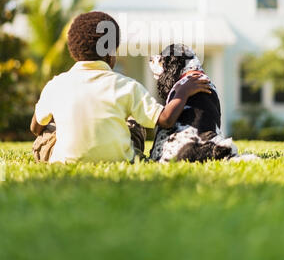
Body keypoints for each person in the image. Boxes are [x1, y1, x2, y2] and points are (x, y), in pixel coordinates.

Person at [31, 11, 211, 163]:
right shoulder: (127, 86)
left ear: (74, 52)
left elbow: (35, 128)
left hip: (63, 161)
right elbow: (165, 119)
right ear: (110, 55)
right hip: (122, 159)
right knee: (134, 124)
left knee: (48, 131)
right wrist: (182, 91)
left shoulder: (56, 85)